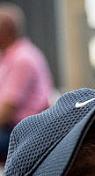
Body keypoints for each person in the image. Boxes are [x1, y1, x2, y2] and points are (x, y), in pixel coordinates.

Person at [0, 3, 52, 160]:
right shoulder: (10, 56)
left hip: (24, 132)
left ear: (5, 31)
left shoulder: (22, 59)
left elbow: (7, 110)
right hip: (13, 127)